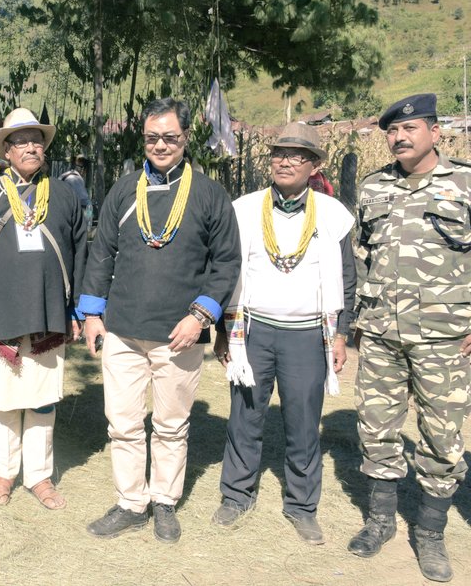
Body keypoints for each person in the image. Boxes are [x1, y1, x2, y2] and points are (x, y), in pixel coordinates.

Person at [79, 97, 240, 544]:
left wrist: (199, 316)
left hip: (180, 334)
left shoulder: (209, 194)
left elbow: (226, 262)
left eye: (170, 137)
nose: (161, 145)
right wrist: (91, 315)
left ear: (186, 137)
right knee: (123, 424)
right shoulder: (124, 190)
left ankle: (164, 502)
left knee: (171, 425)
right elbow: (101, 253)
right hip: (123, 331)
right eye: (152, 138)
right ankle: (131, 503)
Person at [346, 93, 471, 583]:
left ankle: (431, 532)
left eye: (410, 128)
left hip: (445, 337)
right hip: (381, 332)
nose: (399, 137)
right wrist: (360, 319)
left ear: (435, 132)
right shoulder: (374, 187)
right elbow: (362, 255)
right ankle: (380, 521)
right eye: (393, 131)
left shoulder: (464, 183)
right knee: (376, 427)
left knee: (442, 434)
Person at [211, 122, 355, 544]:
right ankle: (236, 495)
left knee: (304, 422)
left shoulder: (331, 213)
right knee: (245, 416)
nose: (285, 161)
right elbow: (225, 269)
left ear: (314, 166)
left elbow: (347, 278)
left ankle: (302, 506)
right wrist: (222, 331)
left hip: (307, 336)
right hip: (252, 331)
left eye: (297, 155)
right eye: (279, 153)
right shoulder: (244, 208)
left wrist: (342, 334)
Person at [0, 108, 87, 510]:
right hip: (1, 311)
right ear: (7, 151)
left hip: (50, 310)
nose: (31, 147)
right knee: (6, 397)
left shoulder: (64, 195)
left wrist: (79, 311)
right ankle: (5, 471)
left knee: (43, 396)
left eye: (36, 140)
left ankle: (40, 475)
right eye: (21, 141)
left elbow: (81, 253)